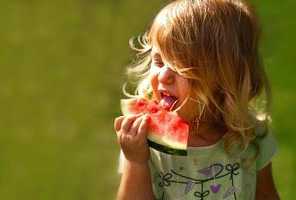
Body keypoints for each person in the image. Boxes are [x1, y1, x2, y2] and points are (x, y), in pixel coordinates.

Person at [114, 0, 280, 199]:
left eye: (181, 66)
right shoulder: (142, 140)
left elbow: (267, 196)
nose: (163, 76)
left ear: (223, 76)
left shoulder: (252, 136)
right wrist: (136, 162)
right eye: (158, 61)